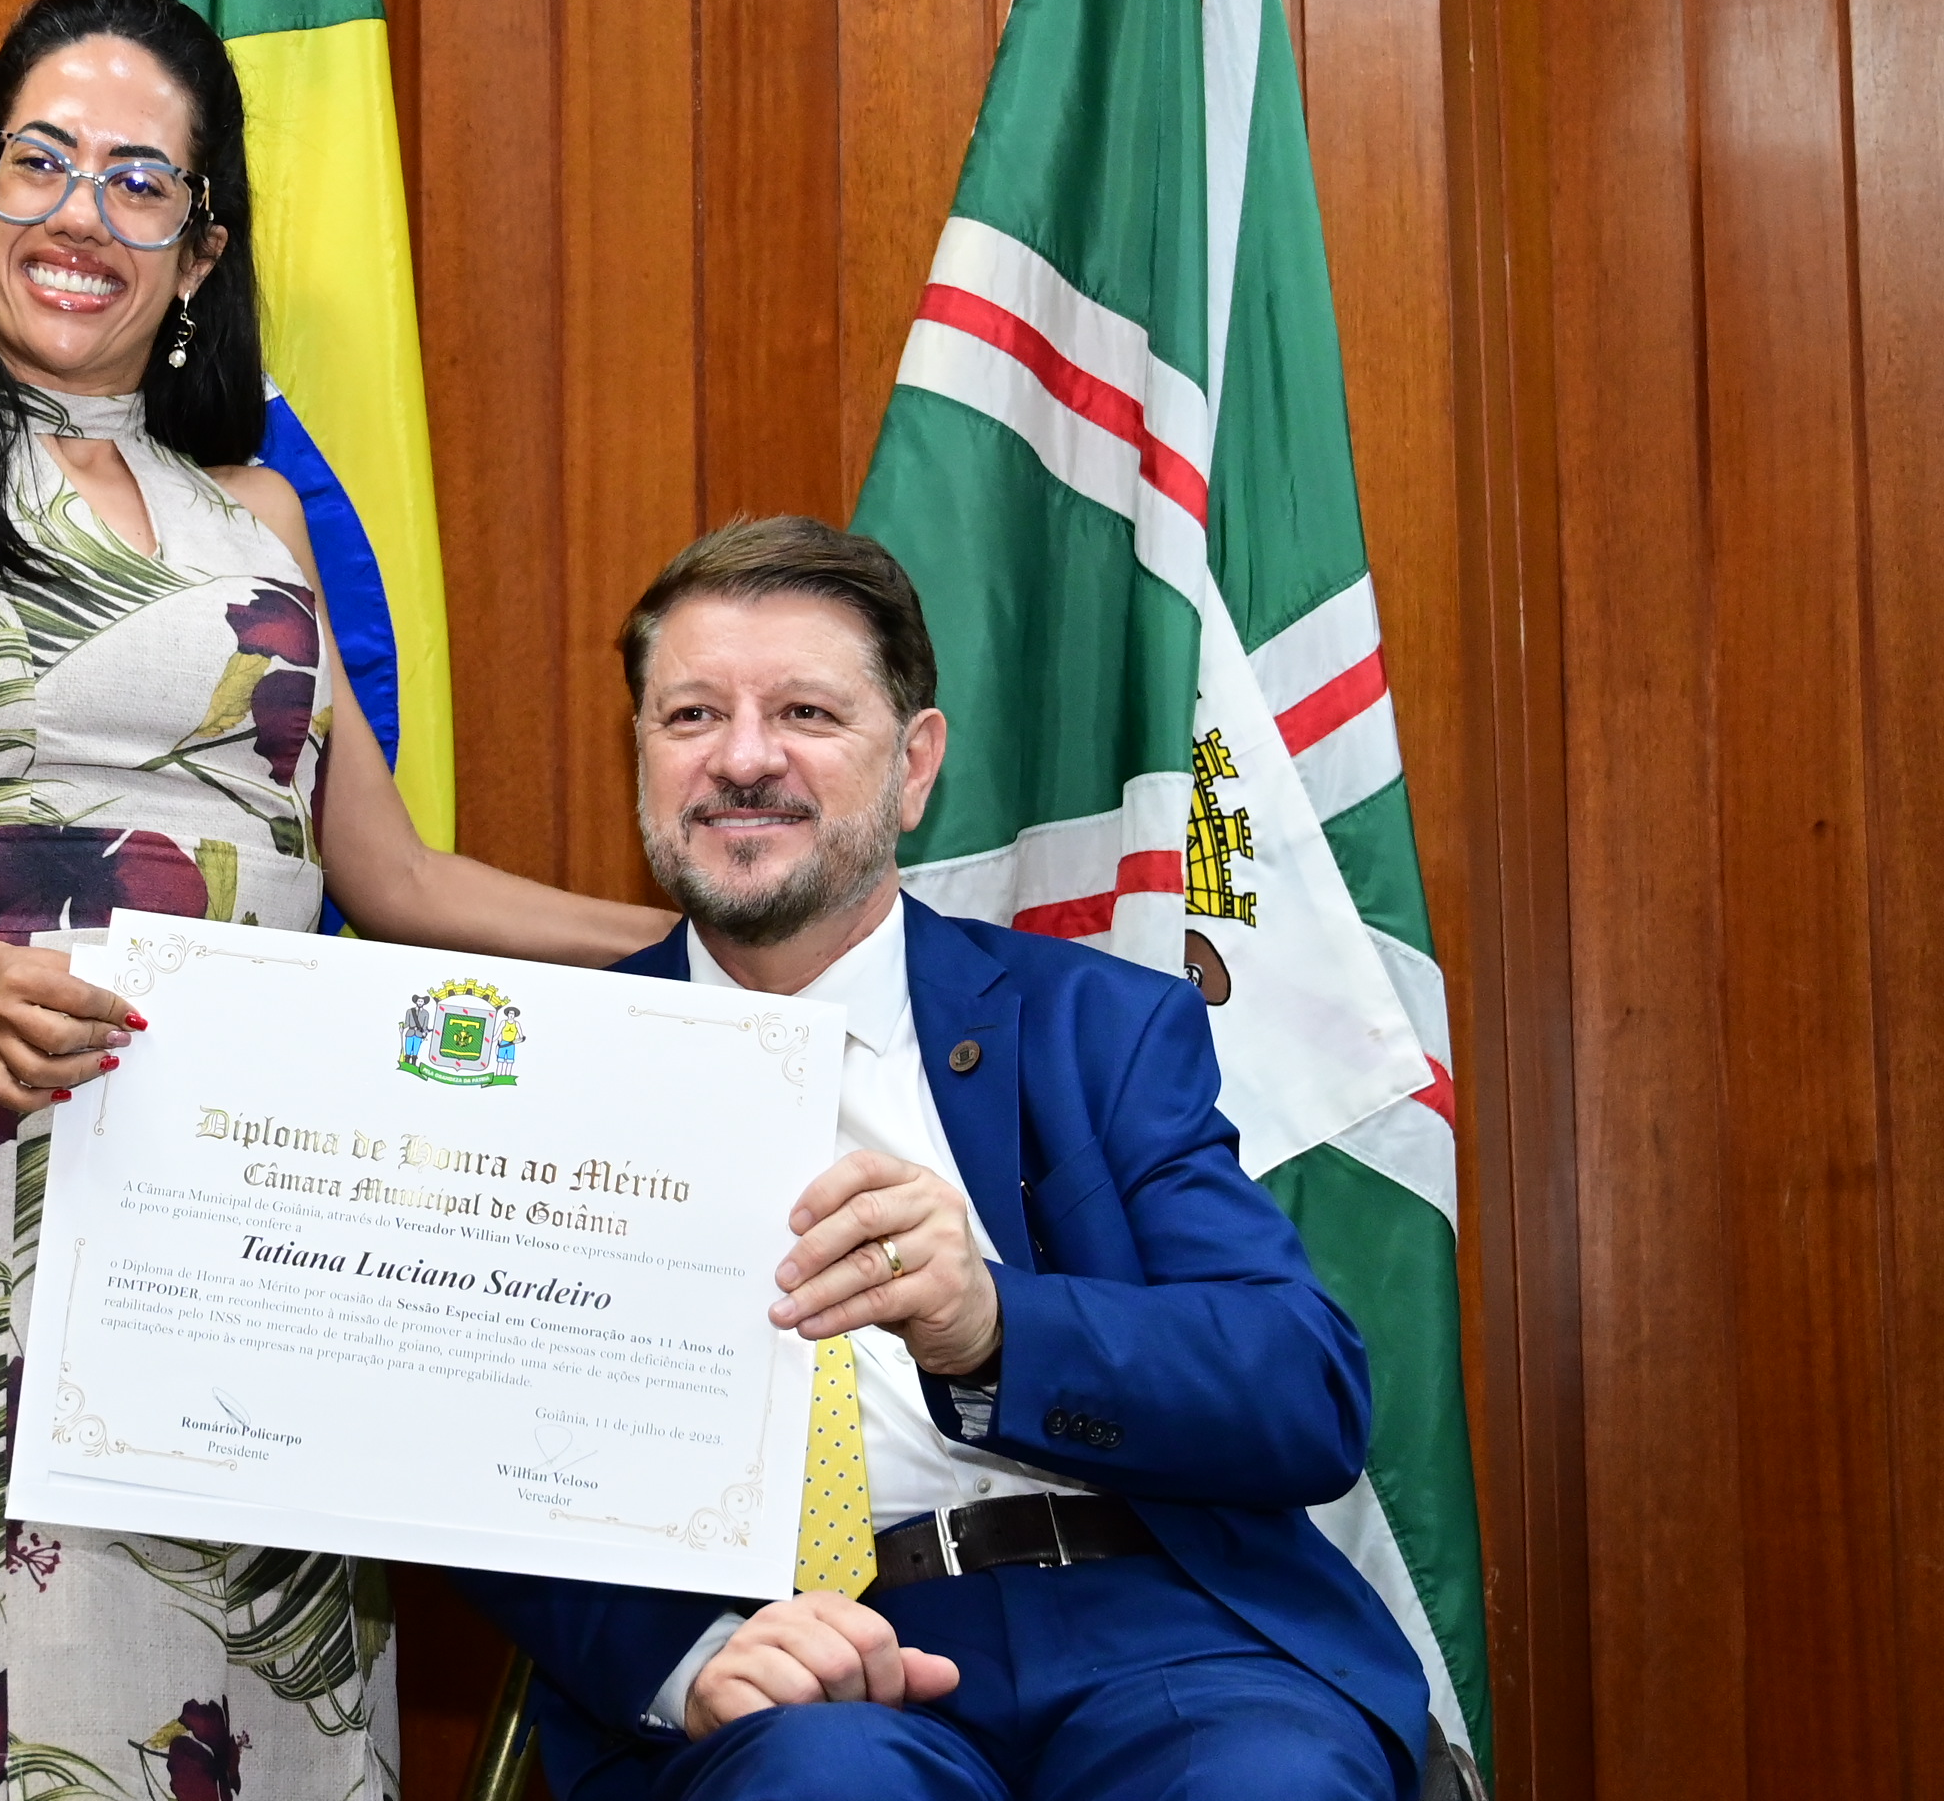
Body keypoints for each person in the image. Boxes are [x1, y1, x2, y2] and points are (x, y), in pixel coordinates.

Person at [0, 0, 666, 1801]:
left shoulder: (261, 518)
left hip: (253, 1209)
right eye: (42, 161)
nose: (83, 213)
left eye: (142, 183)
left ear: (201, 252)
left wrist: (726, 952)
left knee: (225, 1713)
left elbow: (395, 876)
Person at [449, 517, 1430, 1801]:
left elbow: (1303, 1395)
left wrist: (995, 1326)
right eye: (691, 717)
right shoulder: (541, 1070)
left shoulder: (1098, 1029)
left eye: (804, 712)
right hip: (802, 1668)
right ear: (642, 753)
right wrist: (688, 1663)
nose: (742, 758)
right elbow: (459, 1441)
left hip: (1153, 1631)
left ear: (913, 766)